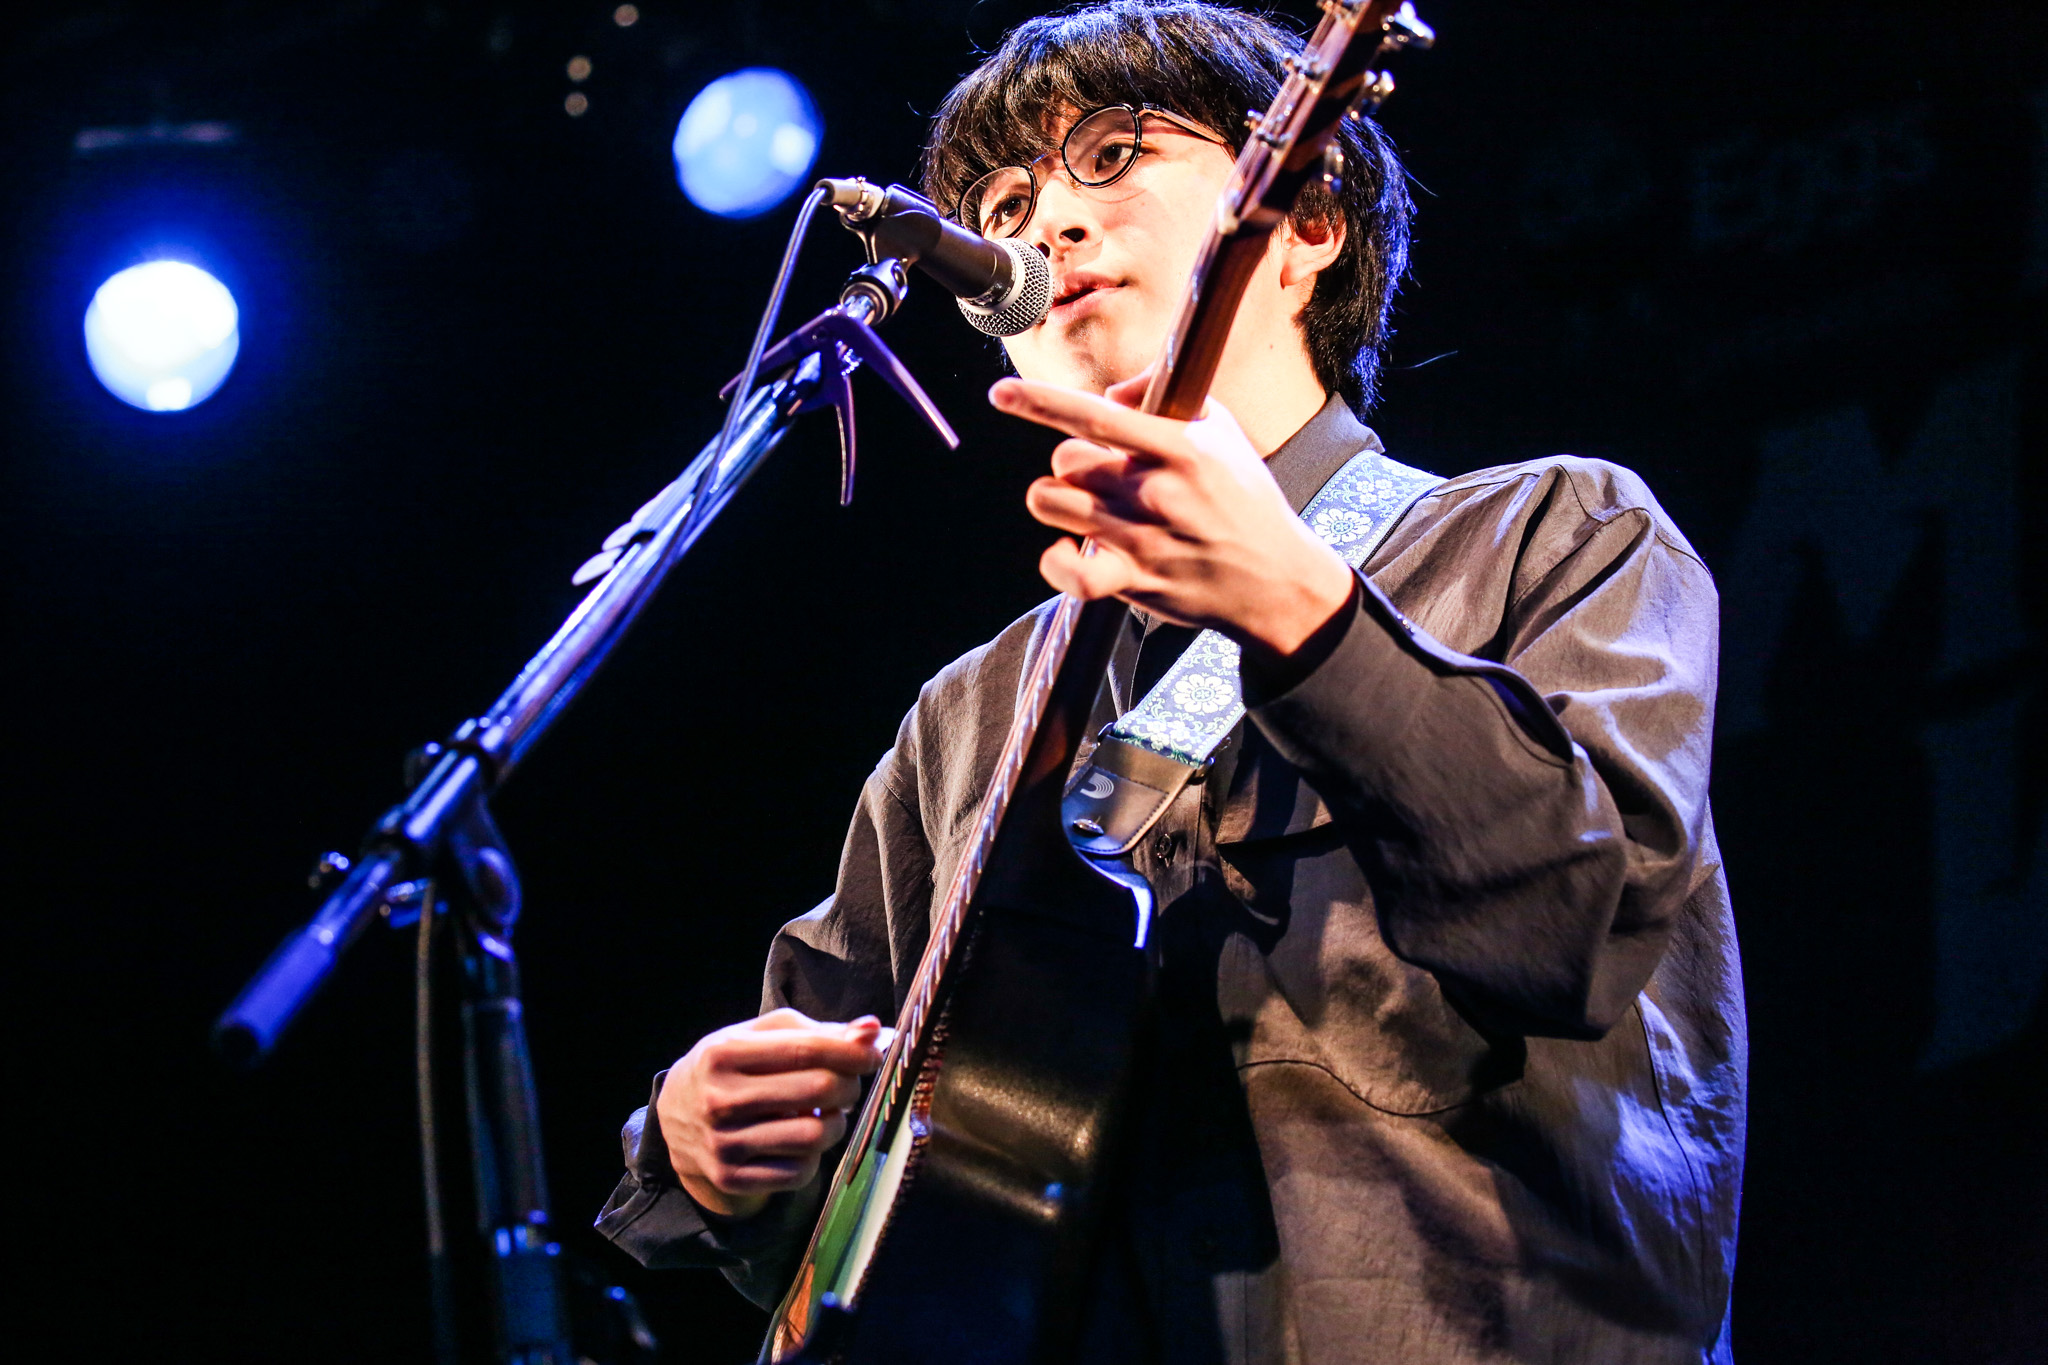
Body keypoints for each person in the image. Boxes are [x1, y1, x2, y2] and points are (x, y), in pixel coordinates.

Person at [596, 4, 1745, 1362]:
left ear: (1305, 221)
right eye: (1006, 205)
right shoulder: (968, 720)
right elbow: (883, 1155)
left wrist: (1304, 614)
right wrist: (705, 1147)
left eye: (1114, 155)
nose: (1048, 223)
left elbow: (1582, 921)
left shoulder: (1551, 534)